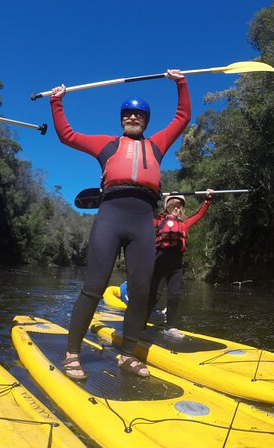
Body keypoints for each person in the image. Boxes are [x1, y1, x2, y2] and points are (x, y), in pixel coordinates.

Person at [50, 69, 191, 379]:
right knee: (94, 287)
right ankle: (72, 353)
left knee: (141, 291)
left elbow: (182, 117)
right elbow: (67, 135)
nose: (133, 118)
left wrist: (180, 82)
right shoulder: (107, 146)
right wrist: (57, 102)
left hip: (142, 220)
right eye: (128, 114)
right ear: (122, 118)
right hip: (111, 216)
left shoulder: (157, 145)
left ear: (146, 121)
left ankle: (127, 355)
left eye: (139, 115)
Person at [146, 189, 214, 338]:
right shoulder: (157, 220)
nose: (177, 208)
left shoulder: (184, 223)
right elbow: (144, 213)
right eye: (174, 205)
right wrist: (150, 197)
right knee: (154, 295)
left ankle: (170, 327)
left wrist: (207, 199)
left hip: (176, 266)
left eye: (179, 206)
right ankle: (141, 323)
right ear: (167, 206)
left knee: (174, 296)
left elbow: (199, 214)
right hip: (159, 264)